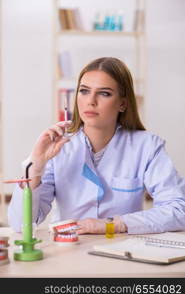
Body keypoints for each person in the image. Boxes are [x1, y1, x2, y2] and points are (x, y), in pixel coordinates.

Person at [8, 57, 185, 235]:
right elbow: (20, 224)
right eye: (84, 91)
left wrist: (111, 224)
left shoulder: (146, 145)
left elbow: (178, 211)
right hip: (69, 248)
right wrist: (35, 167)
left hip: (122, 249)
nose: (90, 101)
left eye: (104, 93)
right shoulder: (59, 147)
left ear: (122, 103)